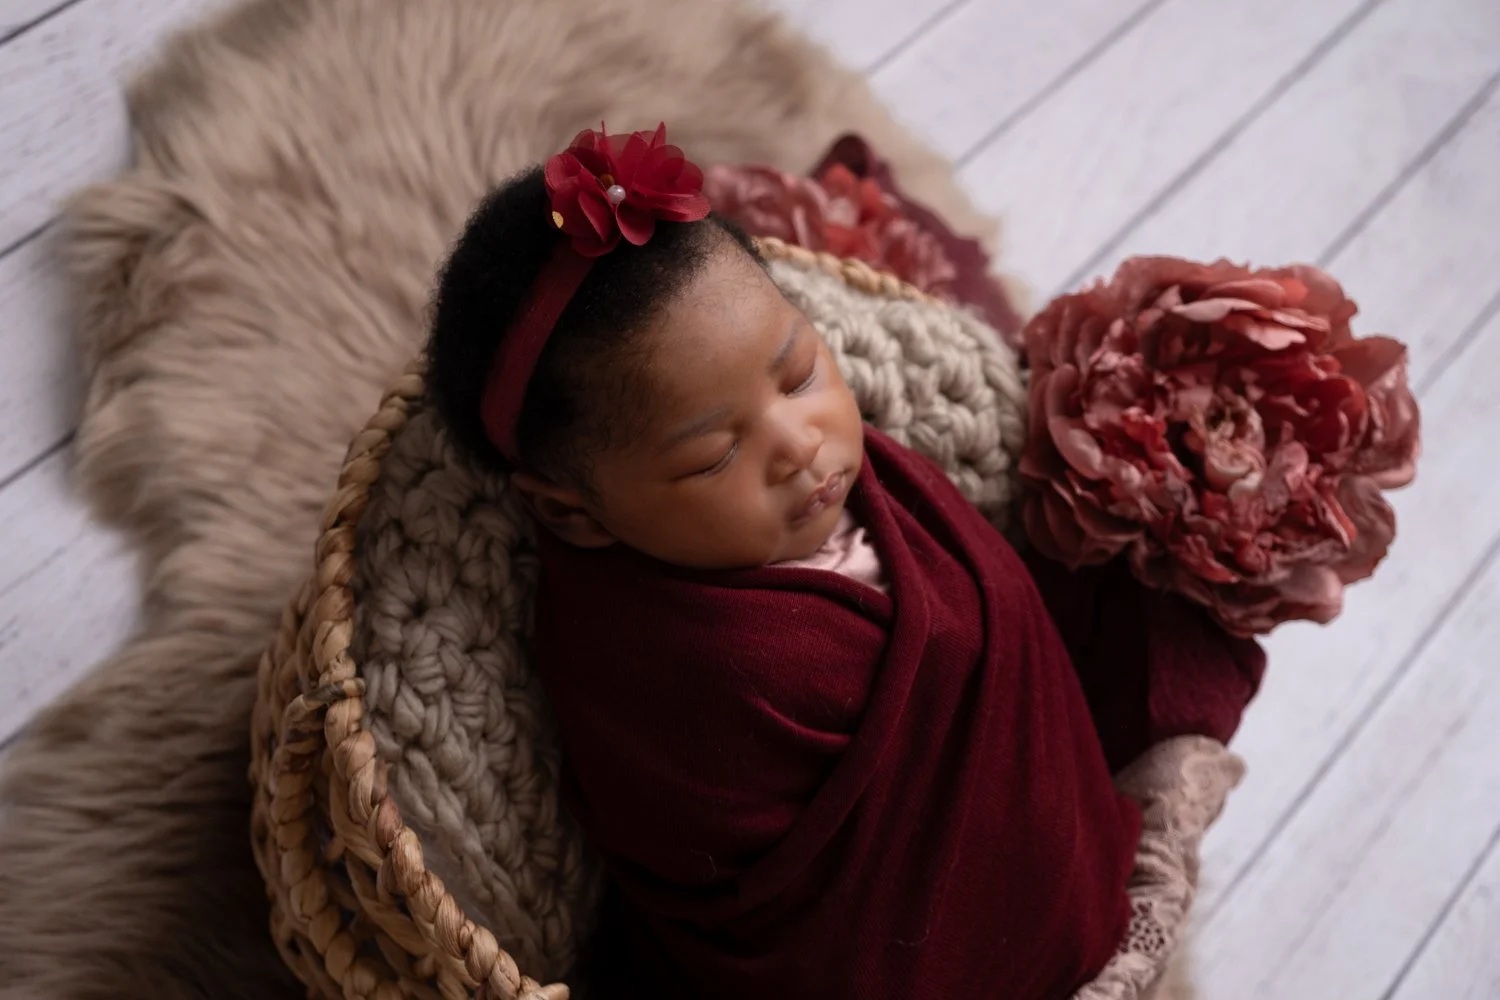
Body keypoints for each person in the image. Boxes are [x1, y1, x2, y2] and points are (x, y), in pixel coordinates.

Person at [425, 124, 1264, 999]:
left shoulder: (866, 481)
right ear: (573, 512)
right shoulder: (672, 664)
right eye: (713, 455)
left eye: (797, 374)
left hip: (1059, 857)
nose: (800, 444)